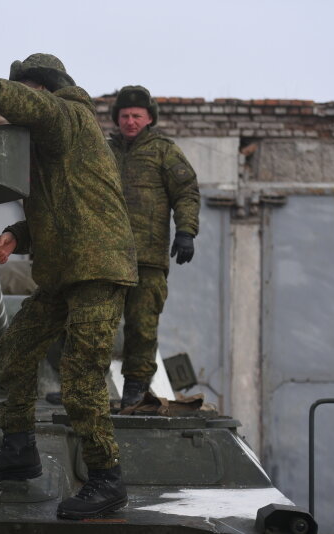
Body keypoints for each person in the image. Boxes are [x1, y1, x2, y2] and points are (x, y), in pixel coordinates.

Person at [0, 54, 138, 520]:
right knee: (15, 350)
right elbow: (63, 209)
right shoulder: (47, 151)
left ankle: (106, 479)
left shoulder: (69, 115)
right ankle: (19, 450)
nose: (28, 103)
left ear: (45, 89)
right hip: (64, 270)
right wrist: (18, 235)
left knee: (80, 377)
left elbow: (40, 109)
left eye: (30, 92)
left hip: (97, 269)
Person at [108, 86, 201, 408]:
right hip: (104, 256)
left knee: (142, 325)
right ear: (117, 119)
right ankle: (83, 384)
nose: (130, 121)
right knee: (92, 324)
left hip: (147, 257)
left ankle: (135, 387)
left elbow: (186, 191)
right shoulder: (103, 151)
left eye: (136, 115)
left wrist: (186, 231)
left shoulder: (164, 151)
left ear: (149, 118)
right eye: (125, 116)